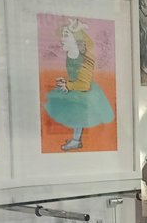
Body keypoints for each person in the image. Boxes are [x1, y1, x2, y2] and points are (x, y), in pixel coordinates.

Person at [45, 18, 116, 151]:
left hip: (84, 91)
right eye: (62, 35)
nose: (62, 39)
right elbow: (74, 75)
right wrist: (66, 82)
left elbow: (84, 85)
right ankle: (76, 140)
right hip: (75, 87)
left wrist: (68, 85)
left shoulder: (86, 59)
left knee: (78, 115)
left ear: (76, 40)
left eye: (66, 35)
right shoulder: (71, 54)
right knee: (74, 115)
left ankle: (76, 141)